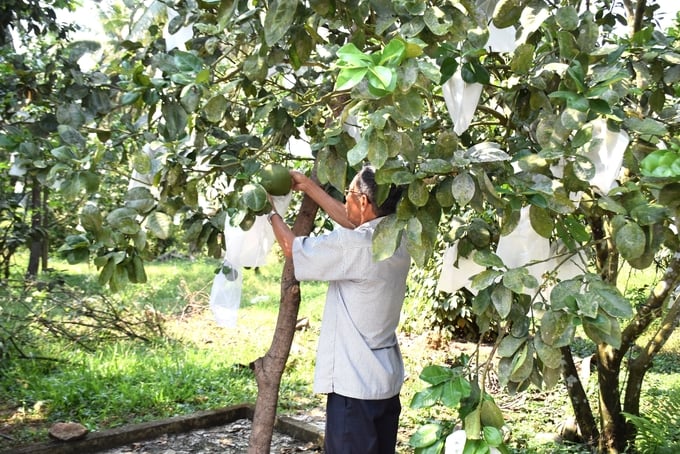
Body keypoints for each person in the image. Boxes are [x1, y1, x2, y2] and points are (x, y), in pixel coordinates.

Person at [267, 165, 410, 454]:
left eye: (348, 194)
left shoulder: (354, 246)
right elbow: (352, 220)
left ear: (364, 202)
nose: (345, 202)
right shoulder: (399, 239)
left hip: (353, 390)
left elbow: (292, 248)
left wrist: (267, 212)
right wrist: (307, 186)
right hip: (384, 385)